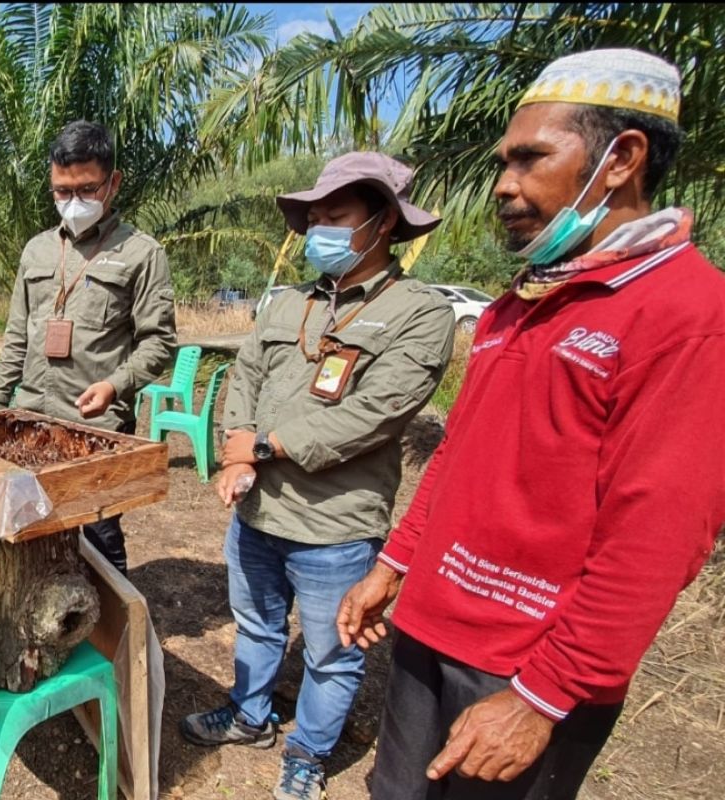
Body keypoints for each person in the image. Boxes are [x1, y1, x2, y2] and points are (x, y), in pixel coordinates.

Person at [337, 49, 725, 799]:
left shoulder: (688, 314)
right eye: (502, 163)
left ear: (623, 158)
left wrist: (545, 696)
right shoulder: (520, 302)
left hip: (522, 665)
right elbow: (459, 457)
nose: (503, 186)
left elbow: (658, 533)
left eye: (529, 159)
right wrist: (393, 567)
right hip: (430, 629)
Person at [180, 151, 455, 800]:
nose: (320, 229)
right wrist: (236, 450)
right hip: (258, 514)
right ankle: (250, 715)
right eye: (315, 218)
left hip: (336, 527)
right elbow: (245, 377)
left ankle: (308, 750)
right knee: (256, 624)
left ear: (383, 222)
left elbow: (376, 414)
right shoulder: (287, 304)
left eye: (336, 216)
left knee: (333, 651)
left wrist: (266, 446)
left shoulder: (420, 312)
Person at [0, 120, 177, 576]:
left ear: (112, 183)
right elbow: (17, 334)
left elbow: (160, 341)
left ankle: (111, 636)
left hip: (94, 428)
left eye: (86, 189)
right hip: (31, 420)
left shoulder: (141, 253)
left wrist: (115, 386)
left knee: (99, 542)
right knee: (29, 534)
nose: (73, 202)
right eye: (61, 191)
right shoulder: (36, 251)